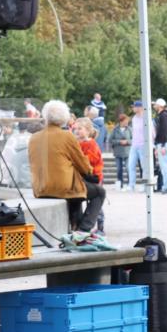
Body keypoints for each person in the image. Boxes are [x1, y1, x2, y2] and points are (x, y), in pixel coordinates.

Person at [29, 101, 108, 247]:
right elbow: (84, 166)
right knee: (98, 192)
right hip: (61, 188)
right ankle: (83, 230)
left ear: (46, 116)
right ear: (64, 117)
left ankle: (75, 228)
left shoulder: (34, 138)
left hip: (40, 189)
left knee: (77, 191)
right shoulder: (67, 136)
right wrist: (90, 172)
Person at [73, 117, 105, 234]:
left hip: (93, 176)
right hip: (84, 176)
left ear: (87, 130)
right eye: (75, 129)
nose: (76, 131)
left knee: (97, 201)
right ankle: (79, 224)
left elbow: (90, 161)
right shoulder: (77, 143)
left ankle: (100, 225)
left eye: (80, 129)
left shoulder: (91, 144)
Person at [153, 98, 167, 194]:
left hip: (164, 143)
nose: (154, 106)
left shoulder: (163, 116)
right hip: (164, 143)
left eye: (156, 105)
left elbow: (164, 131)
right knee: (165, 166)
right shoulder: (164, 115)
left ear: (160, 105)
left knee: (166, 166)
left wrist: (162, 145)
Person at [110, 113, 133, 191]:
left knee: (128, 168)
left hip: (128, 152)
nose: (126, 123)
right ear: (121, 121)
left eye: (127, 121)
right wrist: (119, 142)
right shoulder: (115, 129)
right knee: (119, 169)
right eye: (125, 121)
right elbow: (110, 140)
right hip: (118, 152)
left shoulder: (130, 129)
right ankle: (120, 184)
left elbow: (134, 139)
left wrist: (127, 141)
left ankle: (130, 184)